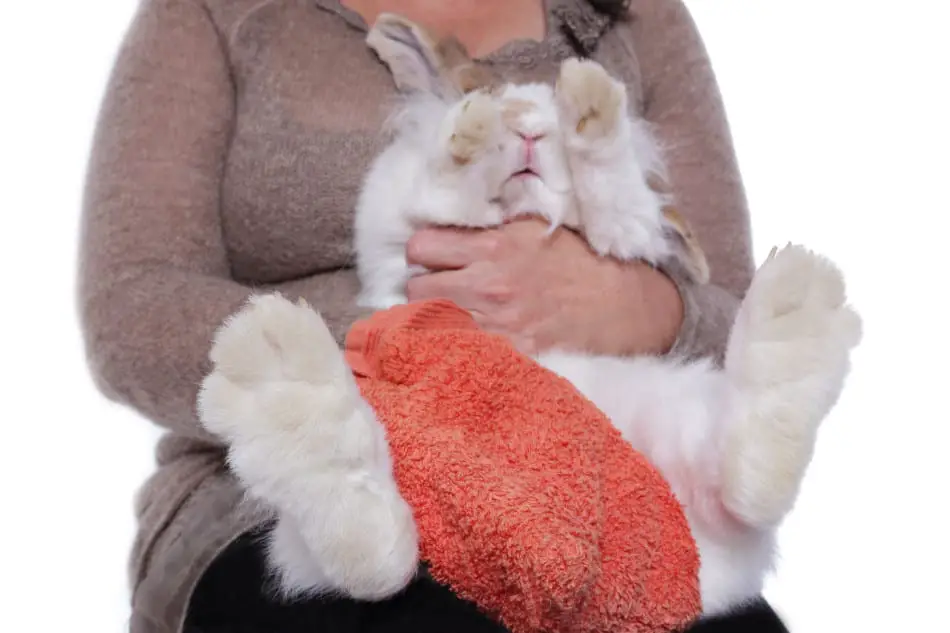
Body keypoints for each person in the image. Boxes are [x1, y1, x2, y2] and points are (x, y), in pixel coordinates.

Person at [77, 0, 788, 631]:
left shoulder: (634, 18)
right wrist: (410, 346)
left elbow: (739, 319)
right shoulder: (212, 14)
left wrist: (632, 306)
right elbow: (132, 306)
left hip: (601, 479)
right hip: (283, 492)